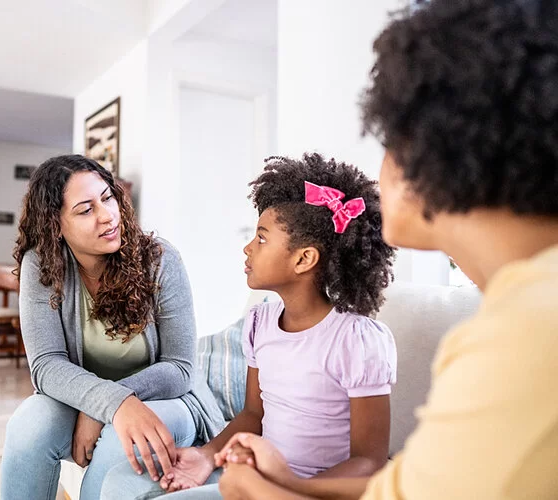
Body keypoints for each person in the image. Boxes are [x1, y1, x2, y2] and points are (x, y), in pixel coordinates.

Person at [215, 1, 558, 498]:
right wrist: (281, 477)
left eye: (389, 141)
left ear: (431, 148)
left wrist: (251, 487)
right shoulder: (521, 311)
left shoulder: (525, 337)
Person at [101, 153, 397, 499]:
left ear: (304, 259)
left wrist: (290, 485)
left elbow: (369, 461)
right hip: (257, 476)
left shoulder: (356, 340)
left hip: (311, 491)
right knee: (120, 481)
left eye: (261, 238)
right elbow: (254, 413)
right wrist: (205, 456)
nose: (247, 248)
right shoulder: (262, 323)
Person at [0, 155, 224, 500]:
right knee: (28, 425)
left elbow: (179, 369)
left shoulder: (160, 259)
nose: (107, 216)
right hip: (93, 400)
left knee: (119, 441)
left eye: (108, 197)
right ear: (55, 225)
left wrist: (108, 406)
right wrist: (111, 403)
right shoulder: (42, 265)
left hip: (172, 401)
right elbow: (46, 366)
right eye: (85, 210)